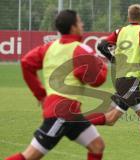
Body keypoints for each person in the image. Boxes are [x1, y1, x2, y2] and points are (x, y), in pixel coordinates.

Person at [5, 10, 107, 160]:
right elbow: (97, 80)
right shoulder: (81, 49)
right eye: (79, 22)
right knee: (30, 156)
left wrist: (40, 95)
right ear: (73, 27)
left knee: (97, 146)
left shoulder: (49, 48)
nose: (82, 24)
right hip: (62, 113)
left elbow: (26, 63)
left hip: (70, 113)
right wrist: (101, 63)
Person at [85, 4, 140, 160]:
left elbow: (101, 45)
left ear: (129, 18)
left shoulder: (120, 31)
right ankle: (75, 123)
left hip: (123, 79)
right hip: (130, 79)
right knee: (112, 118)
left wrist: (112, 59)